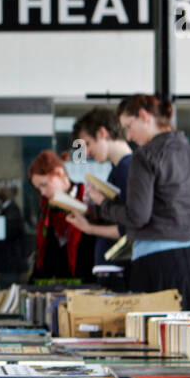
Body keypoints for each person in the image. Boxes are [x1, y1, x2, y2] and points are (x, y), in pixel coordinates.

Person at [89, 96, 190, 318]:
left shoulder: (145, 156)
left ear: (145, 117)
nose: (129, 136)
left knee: (163, 346)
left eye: (129, 126)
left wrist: (103, 205)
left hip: (165, 265)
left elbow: (137, 217)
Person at [64, 107, 133, 268]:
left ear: (102, 133)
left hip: (119, 267)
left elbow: (128, 228)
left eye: (87, 143)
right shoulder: (119, 170)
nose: (87, 153)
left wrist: (89, 228)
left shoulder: (128, 169)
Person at [27, 150, 95, 283]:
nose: (43, 192)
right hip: (57, 282)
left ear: (58, 173)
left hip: (87, 278)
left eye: (44, 185)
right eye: (38, 188)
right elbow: (44, 252)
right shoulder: (46, 209)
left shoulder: (88, 197)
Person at [0, 186, 28, 287]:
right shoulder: (10, 209)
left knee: (7, 289)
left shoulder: (11, 210)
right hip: (8, 262)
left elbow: (8, 234)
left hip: (8, 262)